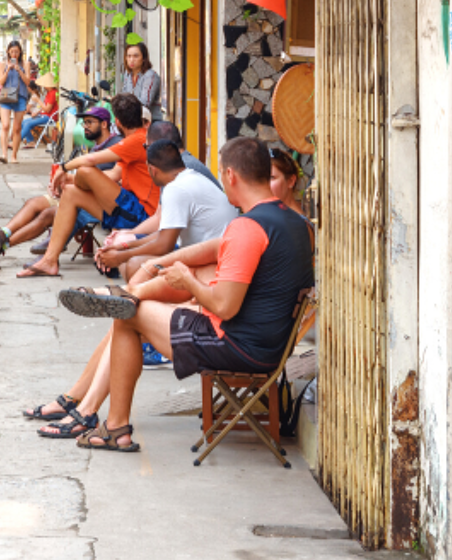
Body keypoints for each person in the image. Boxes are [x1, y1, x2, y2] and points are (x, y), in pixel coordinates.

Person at [52, 138, 314, 453]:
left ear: (230, 176)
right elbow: (218, 248)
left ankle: (116, 427)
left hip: (238, 346)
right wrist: (163, 263)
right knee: (153, 292)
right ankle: (128, 294)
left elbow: (225, 307)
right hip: (270, 345)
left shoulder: (247, 227)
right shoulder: (297, 224)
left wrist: (188, 281)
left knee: (128, 314)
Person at [15, 94, 155, 278]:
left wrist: (63, 168)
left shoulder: (136, 140)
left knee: (84, 171)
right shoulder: (134, 141)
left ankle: (43, 255)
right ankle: (49, 260)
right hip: (129, 208)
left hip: (142, 216)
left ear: (117, 122)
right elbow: (113, 175)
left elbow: (90, 160)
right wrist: (72, 180)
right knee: (71, 191)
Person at [0, 105, 120, 265]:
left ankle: (0, 246)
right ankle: (1, 235)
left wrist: (69, 179)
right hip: (77, 193)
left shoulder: (115, 145)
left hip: (93, 200)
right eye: (84, 123)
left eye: (89, 122)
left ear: (104, 124)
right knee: (33, 203)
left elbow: (110, 179)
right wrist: (61, 185)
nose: (85, 127)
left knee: (47, 214)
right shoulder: (95, 147)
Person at [93, 139, 237, 276]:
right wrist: (124, 247)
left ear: (152, 169)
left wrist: (120, 256)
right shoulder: (190, 177)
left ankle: (140, 298)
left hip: (215, 262)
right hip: (216, 254)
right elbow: (164, 234)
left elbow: (164, 245)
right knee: (132, 261)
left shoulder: (176, 188)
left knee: (135, 265)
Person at [0, 40, 30, 164]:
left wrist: (19, 70)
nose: (14, 54)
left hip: (20, 96)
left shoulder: (25, 64)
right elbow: (1, 82)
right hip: (6, 95)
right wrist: (8, 69)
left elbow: (28, 82)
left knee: (17, 128)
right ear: (8, 51)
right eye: (12, 51)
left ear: (20, 52)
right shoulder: (3, 64)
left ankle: (14, 156)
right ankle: (4, 154)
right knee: (5, 125)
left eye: (17, 52)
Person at [122, 41, 163, 123]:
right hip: (133, 121)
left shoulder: (150, 76)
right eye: (129, 56)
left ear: (144, 58)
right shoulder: (127, 74)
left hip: (150, 121)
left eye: (136, 56)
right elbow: (124, 95)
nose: (131, 60)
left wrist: (125, 103)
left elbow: (145, 103)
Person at [19, 76, 60, 149]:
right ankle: (31, 141)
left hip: (49, 117)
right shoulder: (49, 93)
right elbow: (43, 107)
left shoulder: (53, 93)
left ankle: (16, 141)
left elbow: (47, 109)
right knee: (24, 122)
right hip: (43, 115)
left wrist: (38, 100)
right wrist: (37, 112)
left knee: (28, 124)